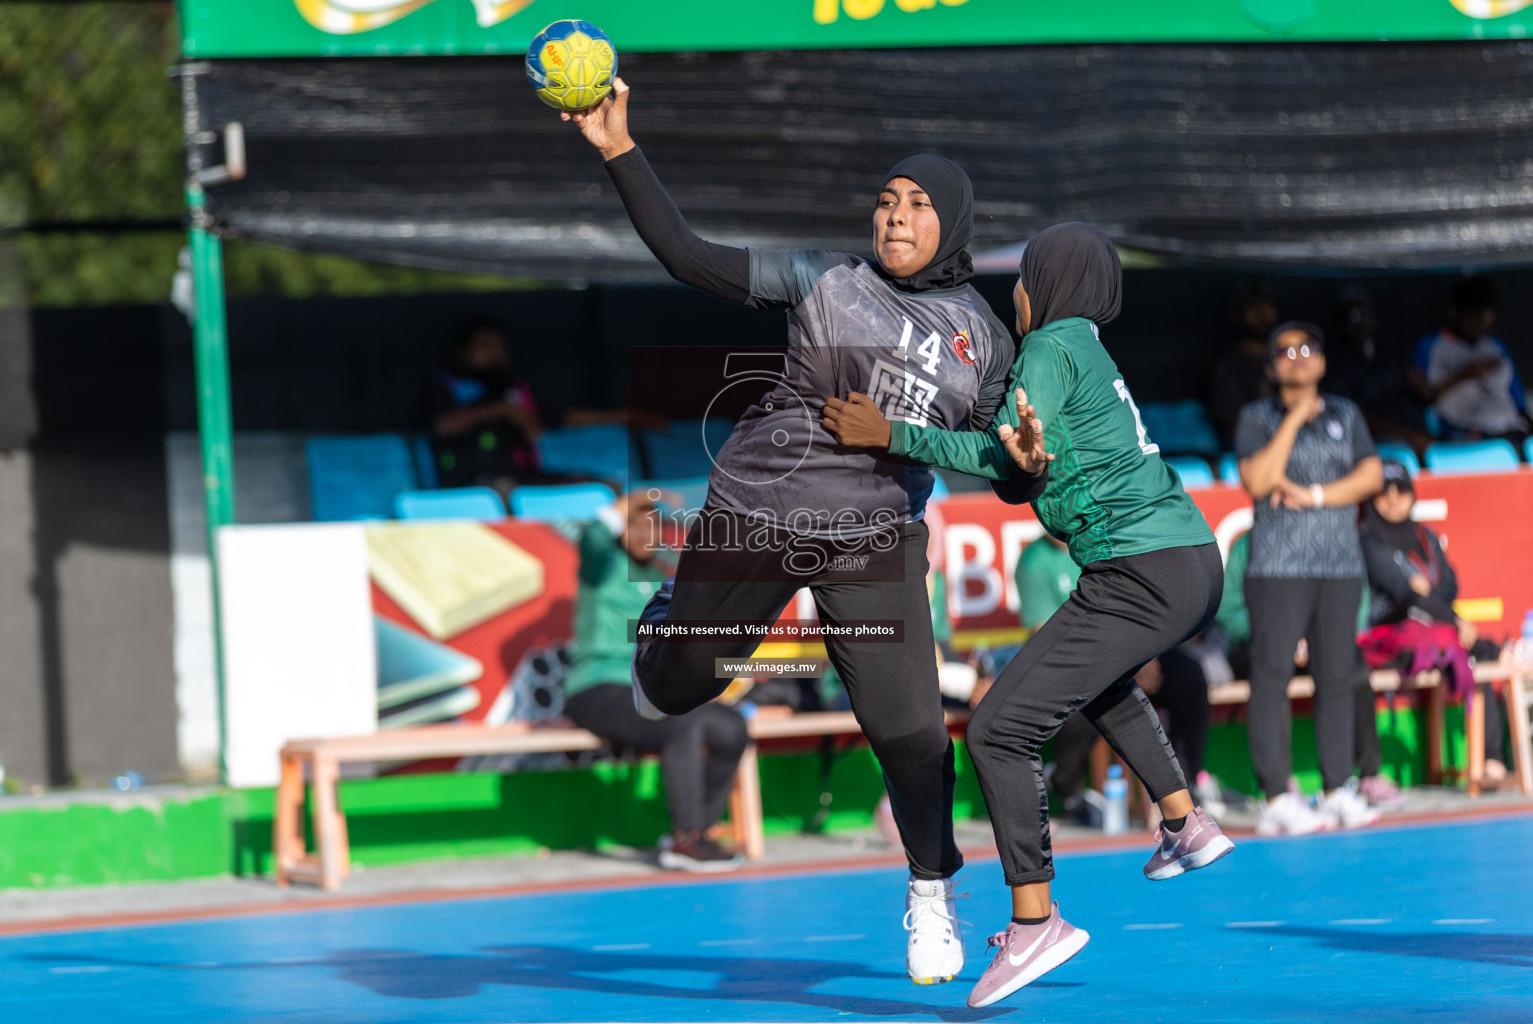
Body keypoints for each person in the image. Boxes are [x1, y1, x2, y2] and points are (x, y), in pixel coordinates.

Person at [565, 79, 1015, 986]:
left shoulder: (987, 340)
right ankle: (667, 627)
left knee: (913, 731)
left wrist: (1029, 457)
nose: (894, 216)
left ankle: (932, 891)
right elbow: (689, 256)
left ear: (953, 224)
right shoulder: (825, 278)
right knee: (680, 686)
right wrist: (619, 149)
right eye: (885, 201)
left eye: (917, 206)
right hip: (758, 508)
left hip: (874, 535)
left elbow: (1001, 463)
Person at [821, 222, 1234, 1009]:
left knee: (996, 729)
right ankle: (1184, 821)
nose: (1012, 294)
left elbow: (1010, 453)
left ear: (1045, 286)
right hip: (1185, 557)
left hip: (1139, 567)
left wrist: (892, 434)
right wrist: (1018, 457)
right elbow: (1020, 456)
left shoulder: (1047, 344)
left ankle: (1034, 920)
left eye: (1021, 279)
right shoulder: (1087, 346)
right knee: (1095, 679)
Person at [1235, 320, 1384, 835]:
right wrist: (1296, 418)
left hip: (1340, 565)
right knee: (1273, 677)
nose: (1298, 357)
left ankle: (1338, 787)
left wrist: (1315, 495)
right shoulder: (1257, 417)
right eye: (1285, 350)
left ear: (1322, 359)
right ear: (1272, 365)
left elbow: (1371, 475)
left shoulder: (1347, 412)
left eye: (1307, 348)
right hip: (1278, 566)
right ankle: (1276, 795)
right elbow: (1257, 480)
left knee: (1337, 678)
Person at [561, 491, 749, 871]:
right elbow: (594, 535)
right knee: (684, 722)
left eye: (654, 526)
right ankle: (685, 839)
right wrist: (644, 496)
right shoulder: (602, 566)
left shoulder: (662, 576)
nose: (647, 534)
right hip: (596, 687)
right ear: (622, 531)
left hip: (647, 689)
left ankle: (700, 832)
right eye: (637, 525)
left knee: (731, 726)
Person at [1358, 461, 1511, 787]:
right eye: (1385, 492)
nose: (1394, 498)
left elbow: (1448, 584)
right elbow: (1402, 593)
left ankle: (1493, 758)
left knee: (1477, 658)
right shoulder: (1368, 537)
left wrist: (1439, 609)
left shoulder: (1424, 535)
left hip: (1435, 630)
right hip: (1390, 636)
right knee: (1468, 648)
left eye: (1401, 490)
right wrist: (1453, 619)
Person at [427, 318, 664, 490]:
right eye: (485, 345)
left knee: (604, 486)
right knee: (504, 489)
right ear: (465, 352)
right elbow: (443, 427)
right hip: (474, 480)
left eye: (499, 345)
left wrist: (623, 416)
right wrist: (504, 411)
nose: (494, 352)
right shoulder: (449, 387)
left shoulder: (514, 388)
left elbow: (562, 417)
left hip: (525, 475)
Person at [1414, 274, 1530, 452]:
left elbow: (1518, 404)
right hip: (1457, 433)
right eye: (1474, 320)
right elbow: (1424, 398)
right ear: (1455, 313)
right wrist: (1463, 375)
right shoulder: (1429, 346)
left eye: (1485, 322)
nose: (1479, 328)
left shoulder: (1496, 346)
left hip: (1507, 430)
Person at [1325, 286, 1433, 457]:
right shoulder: (1335, 364)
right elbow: (1353, 415)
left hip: (1414, 430)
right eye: (1353, 316)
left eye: (1365, 314)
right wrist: (1406, 434)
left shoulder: (1391, 353)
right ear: (1341, 321)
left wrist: (1422, 388)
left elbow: (1423, 396)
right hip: (1374, 438)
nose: (1361, 321)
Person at [1207, 286, 1279, 449]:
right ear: (1237, 314)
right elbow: (1235, 429)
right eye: (1254, 307)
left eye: (1267, 306)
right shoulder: (1228, 365)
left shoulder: (1286, 359)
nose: (1263, 315)